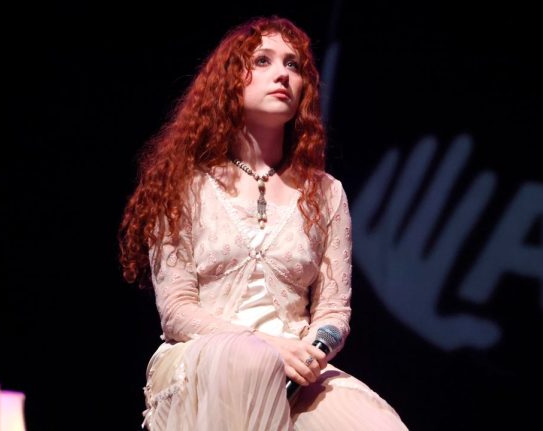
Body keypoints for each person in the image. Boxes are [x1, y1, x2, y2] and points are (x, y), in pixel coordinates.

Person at [118, 15, 408, 431]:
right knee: (250, 363)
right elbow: (178, 311)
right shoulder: (182, 185)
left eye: (293, 65)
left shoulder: (326, 193)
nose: (283, 74)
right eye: (262, 61)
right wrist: (268, 348)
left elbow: (332, 310)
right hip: (202, 360)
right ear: (229, 81)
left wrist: (310, 353)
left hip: (296, 368)